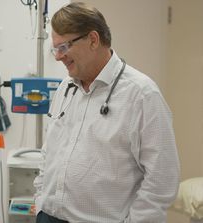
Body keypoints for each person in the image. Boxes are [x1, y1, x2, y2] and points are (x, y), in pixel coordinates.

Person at [33, 2, 180, 223]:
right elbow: (50, 152)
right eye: (55, 49)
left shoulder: (141, 95)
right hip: (49, 216)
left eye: (63, 47)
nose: (58, 57)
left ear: (93, 39)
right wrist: (40, 200)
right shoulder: (66, 88)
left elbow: (161, 179)